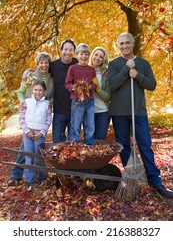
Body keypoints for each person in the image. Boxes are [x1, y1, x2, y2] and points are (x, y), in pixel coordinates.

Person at [108, 32, 173, 198]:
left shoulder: (143, 63)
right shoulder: (114, 64)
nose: (124, 46)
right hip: (119, 112)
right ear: (118, 45)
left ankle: (155, 181)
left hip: (138, 111)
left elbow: (152, 85)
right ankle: (131, 177)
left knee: (145, 145)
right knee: (123, 145)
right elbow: (112, 84)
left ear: (133, 43)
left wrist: (137, 75)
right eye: (121, 43)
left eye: (127, 43)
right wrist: (126, 69)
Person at [8, 52, 54, 186]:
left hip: (41, 119)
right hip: (29, 117)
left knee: (36, 153)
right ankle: (19, 176)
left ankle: (41, 176)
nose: (44, 65)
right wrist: (25, 103)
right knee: (27, 153)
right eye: (41, 62)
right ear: (37, 63)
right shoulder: (30, 75)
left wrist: (48, 104)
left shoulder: (51, 78)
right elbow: (20, 92)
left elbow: (52, 96)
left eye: (46, 62)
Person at [19, 80, 52, 188]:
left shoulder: (47, 104)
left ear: (44, 91)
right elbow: (21, 119)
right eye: (36, 89)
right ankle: (30, 180)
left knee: (38, 157)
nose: (38, 92)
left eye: (40, 90)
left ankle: (42, 176)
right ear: (32, 90)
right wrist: (27, 131)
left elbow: (48, 121)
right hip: (28, 133)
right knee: (29, 157)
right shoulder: (26, 102)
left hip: (39, 134)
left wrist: (42, 133)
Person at [65, 43, 96, 145]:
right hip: (77, 101)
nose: (84, 56)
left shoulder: (91, 69)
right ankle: (74, 144)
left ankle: (89, 144)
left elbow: (95, 84)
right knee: (75, 124)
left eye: (86, 54)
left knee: (90, 124)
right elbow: (67, 83)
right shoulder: (72, 68)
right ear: (77, 55)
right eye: (81, 54)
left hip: (90, 100)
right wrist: (74, 88)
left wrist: (89, 87)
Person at [49, 38, 78, 143]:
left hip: (75, 111)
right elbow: (41, 73)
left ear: (74, 52)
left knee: (74, 143)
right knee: (57, 143)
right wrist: (29, 72)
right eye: (65, 49)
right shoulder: (53, 66)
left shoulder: (78, 64)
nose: (68, 52)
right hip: (59, 111)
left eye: (71, 50)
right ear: (61, 51)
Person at [89, 47, 111, 140]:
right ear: (92, 55)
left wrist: (98, 88)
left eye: (101, 57)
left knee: (100, 141)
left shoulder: (107, 73)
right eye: (96, 55)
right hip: (88, 112)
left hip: (103, 112)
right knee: (89, 140)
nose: (97, 58)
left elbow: (108, 97)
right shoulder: (84, 70)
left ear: (103, 60)